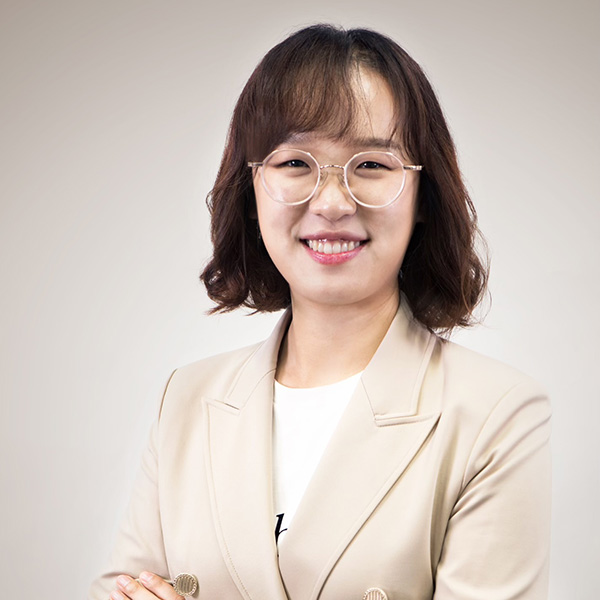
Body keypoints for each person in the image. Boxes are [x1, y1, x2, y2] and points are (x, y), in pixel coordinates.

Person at [90, 24, 551, 600]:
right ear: (251, 186)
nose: (332, 203)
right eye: (295, 163)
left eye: (372, 166)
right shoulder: (185, 399)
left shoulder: (496, 414)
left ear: (422, 195)